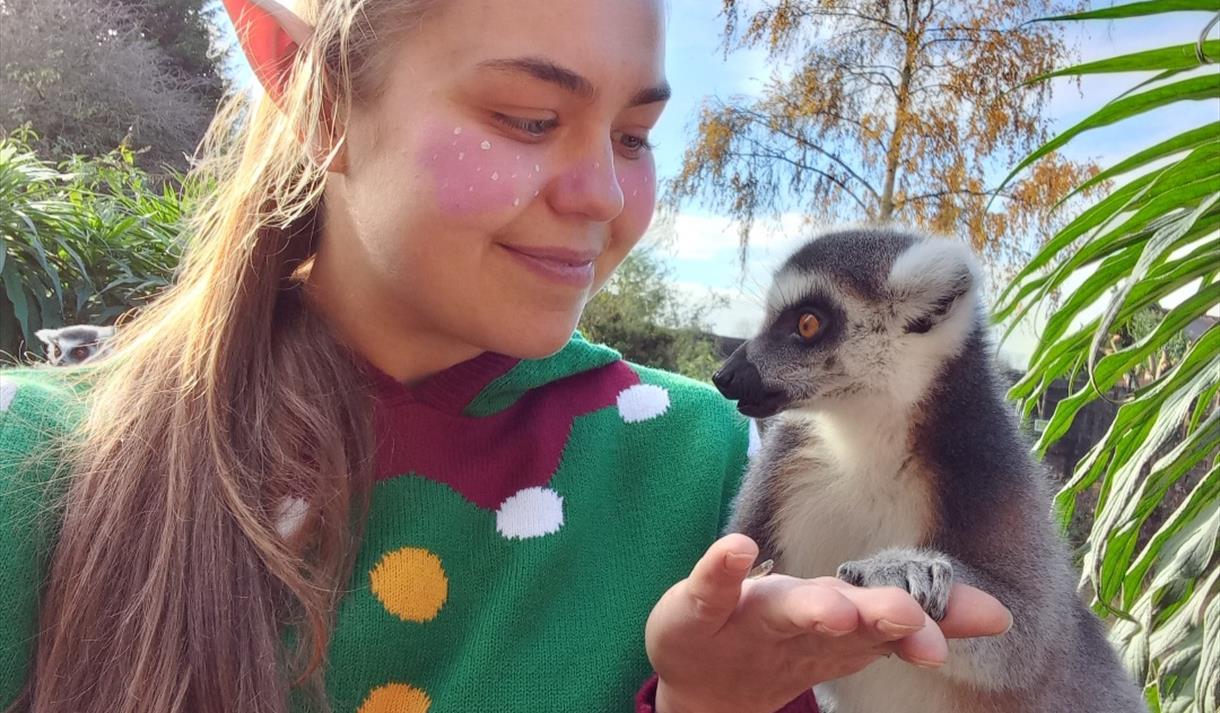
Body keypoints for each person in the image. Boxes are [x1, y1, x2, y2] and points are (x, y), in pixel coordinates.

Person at [0, 0, 1012, 711]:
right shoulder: (43, 460)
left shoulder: (686, 466)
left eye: (631, 134)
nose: (604, 199)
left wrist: (711, 699)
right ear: (308, 88)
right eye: (528, 120)